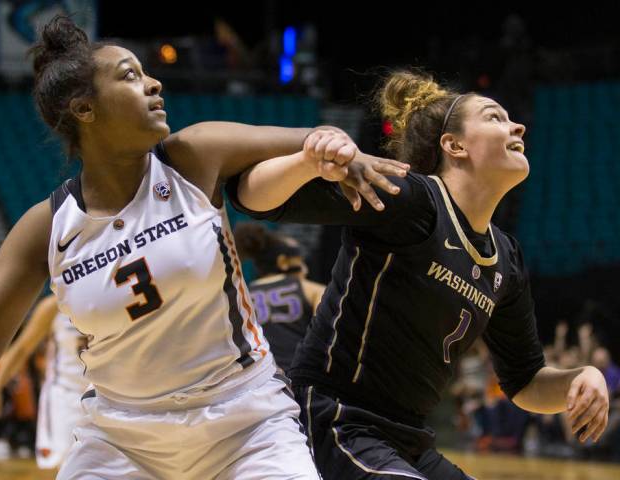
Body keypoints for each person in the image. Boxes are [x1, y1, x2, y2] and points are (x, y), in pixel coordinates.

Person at [0, 15, 405, 479]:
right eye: (129, 76)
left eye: (145, 74)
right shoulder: (46, 228)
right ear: (85, 109)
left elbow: (312, 137)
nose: (153, 83)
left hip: (244, 423)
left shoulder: (194, 155)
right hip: (122, 440)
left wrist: (341, 153)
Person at [228, 70, 610, 479]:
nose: (517, 125)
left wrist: (582, 377)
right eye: (494, 117)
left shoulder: (507, 259)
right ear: (454, 145)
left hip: (408, 439)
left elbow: (526, 381)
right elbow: (249, 196)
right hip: (335, 417)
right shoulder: (411, 201)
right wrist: (306, 160)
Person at [0, 294, 87, 469]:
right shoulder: (54, 306)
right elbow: (22, 348)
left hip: (103, 394)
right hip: (65, 397)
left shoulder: (111, 298)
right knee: (58, 467)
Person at [234, 223, 325, 372]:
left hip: (265, 378)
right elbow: (326, 338)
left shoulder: (242, 297)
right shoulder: (312, 290)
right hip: (304, 375)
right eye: (300, 261)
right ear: (282, 262)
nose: (305, 269)